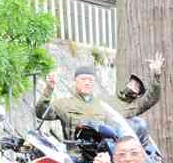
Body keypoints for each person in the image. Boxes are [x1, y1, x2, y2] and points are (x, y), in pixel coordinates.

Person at [35, 54, 165, 141]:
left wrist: (156, 76)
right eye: (83, 79)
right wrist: (49, 89)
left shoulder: (106, 104)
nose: (87, 82)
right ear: (75, 81)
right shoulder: (64, 104)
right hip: (75, 157)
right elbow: (41, 113)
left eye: (90, 80)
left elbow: (148, 100)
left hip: (103, 157)